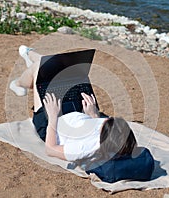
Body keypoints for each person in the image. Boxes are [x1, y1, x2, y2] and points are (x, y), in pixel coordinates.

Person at [10, 46, 155, 183]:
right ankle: (31, 55)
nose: (105, 120)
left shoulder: (81, 148)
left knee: (39, 69)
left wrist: (53, 117)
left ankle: (18, 83)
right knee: (58, 69)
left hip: (53, 123)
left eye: (105, 122)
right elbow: (102, 131)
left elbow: (50, 149)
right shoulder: (111, 140)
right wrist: (94, 115)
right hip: (78, 114)